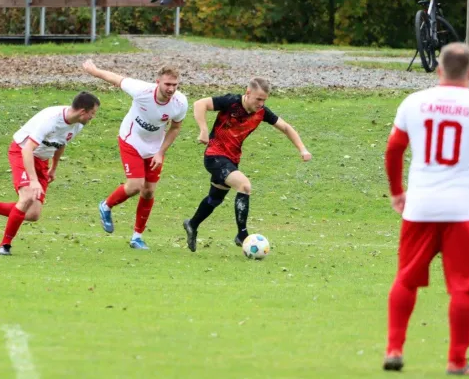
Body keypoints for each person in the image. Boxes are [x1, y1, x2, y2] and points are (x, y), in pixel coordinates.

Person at [383, 42, 469, 376]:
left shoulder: (414, 103)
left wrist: (396, 192)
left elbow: (393, 151)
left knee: (406, 279)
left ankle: (394, 349)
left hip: (421, 206)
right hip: (464, 211)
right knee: (464, 287)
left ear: (439, 70)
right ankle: (457, 361)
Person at [0, 92, 101, 256]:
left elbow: (61, 144)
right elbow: (27, 148)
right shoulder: (51, 120)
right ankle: (4, 246)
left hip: (41, 161)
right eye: (93, 113)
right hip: (22, 152)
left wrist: (54, 168)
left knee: (33, 214)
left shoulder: (77, 124)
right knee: (27, 197)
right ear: (83, 111)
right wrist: (33, 181)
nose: (93, 117)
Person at [182, 78, 312, 252]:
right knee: (244, 186)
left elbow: (286, 127)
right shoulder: (231, 102)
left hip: (232, 159)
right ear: (248, 92)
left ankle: (192, 224)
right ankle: (242, 235)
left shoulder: (262, 112)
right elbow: (199, 104)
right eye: (258, 99)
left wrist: (302, 149)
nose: (261, 103)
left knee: (215, 199)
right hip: (215, 156)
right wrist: (203, 130)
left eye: (264, 100)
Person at [82, 59, 188, 250]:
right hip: (131, 140)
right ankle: (105, 205)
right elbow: (116, 79)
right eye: (167, 84)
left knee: (149, 191)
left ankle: (137, 237)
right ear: (158, 82)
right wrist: (94, 70)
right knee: (135, 185)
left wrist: (161, 152)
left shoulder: (180, 102)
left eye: (174, 85)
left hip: (154, 148)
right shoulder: (141, 90)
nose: (171, 89)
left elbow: (176, 127)